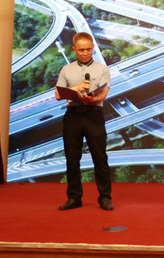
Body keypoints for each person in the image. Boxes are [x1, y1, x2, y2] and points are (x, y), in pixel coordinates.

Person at [55, 32, 113, 211]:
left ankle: (105, 197)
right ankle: (74, 197)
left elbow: (103, 95)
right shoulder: (66, 70)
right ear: (74, 49)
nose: (85, 53)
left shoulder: (102, 69)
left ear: (93, 48)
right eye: (81, 50)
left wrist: (90, 99)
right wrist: (76, 88)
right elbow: (58, 94)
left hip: (93, 114)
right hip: (73, 116)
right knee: (72, 159)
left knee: (100, 157)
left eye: (88, 49)